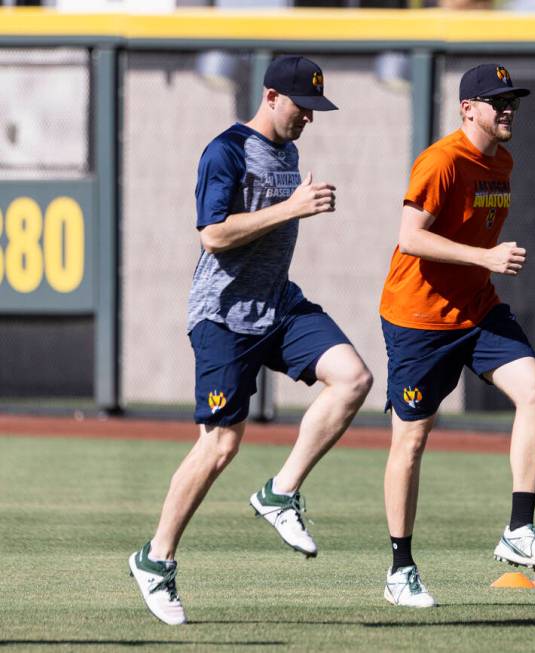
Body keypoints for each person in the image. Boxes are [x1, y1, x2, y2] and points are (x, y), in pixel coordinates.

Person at [128, 55, 373, 625]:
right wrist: (292, 208)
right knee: (220, 445)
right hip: (223, 315)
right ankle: (155, 560)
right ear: (269, 97)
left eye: (314, 111)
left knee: (354, 378)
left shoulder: (288, 151)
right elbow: (213, 234)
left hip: (278, 305)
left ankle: (280, 493)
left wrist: (293, 207)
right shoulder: (226, 151)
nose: (308, 120)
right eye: (301, 108)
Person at [379, 63, 535, 608]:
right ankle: (400, 568)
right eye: (496, 101)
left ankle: (518, 531)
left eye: (512, 101)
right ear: (467, 108)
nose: (507, 109)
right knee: (411, 440)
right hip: (418, 320)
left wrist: (482, 267)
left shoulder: (501, 160)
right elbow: (409, 238)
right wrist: (485, 256)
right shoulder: (440, 161)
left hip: (477, 309)